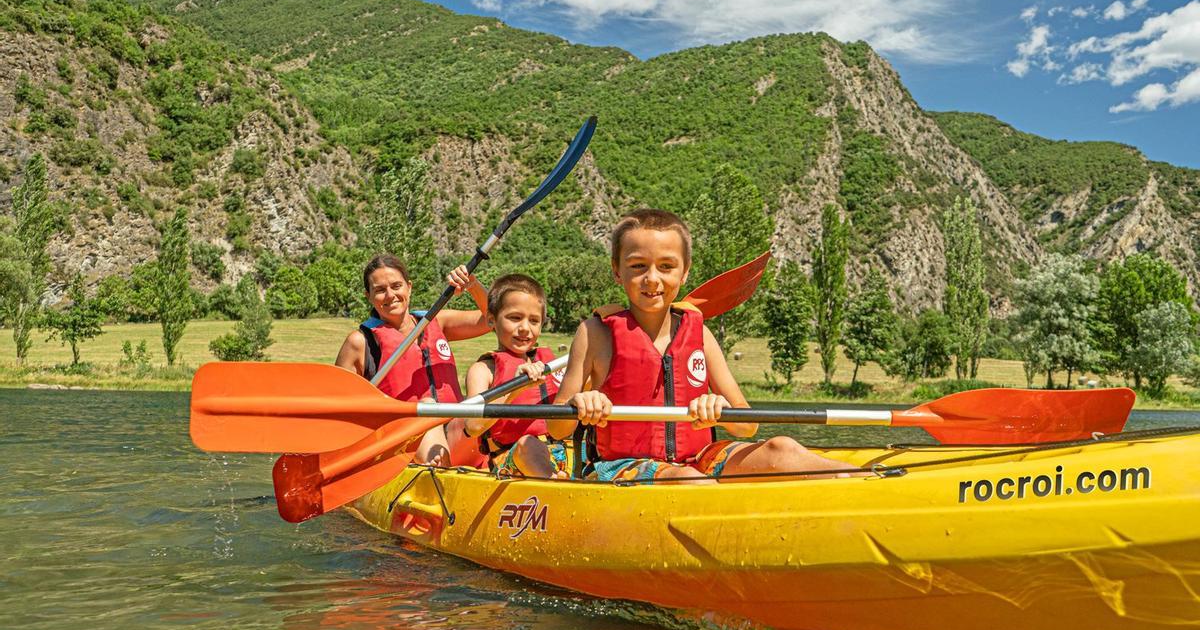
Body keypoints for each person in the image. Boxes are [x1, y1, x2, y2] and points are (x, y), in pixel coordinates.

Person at [548, 208, 860, 483]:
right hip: (620, 467)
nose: (652, 279)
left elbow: (746, 428)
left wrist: (720, 409)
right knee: (687, 479)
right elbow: (557, 429)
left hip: (699, 459)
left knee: (783, 449)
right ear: (617, 270)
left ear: (684, 272)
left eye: (666, 267)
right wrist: (582, 403)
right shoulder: (594, 334)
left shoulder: (700, 335)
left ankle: (863, 484)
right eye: (638, 266)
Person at [335, 254, 489, 466]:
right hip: (402, 445)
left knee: (480, 414)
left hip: (454, 433)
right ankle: (439, 478)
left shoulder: (436, 321)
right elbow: (339, 411)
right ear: (368, 296)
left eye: (396, 286)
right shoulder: (360, 342)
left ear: (409, 287)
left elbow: (492, 319)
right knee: (427, 407)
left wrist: (472, 284)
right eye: (380, 290)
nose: (390, 295)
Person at [463, 274, 569, 479]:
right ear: (492, 320)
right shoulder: (483, 370)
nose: (525, 328)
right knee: (527, 444)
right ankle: (557, 489)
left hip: (560, 454)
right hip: (513, 460)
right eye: (515, 318)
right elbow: (472, 426)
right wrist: (515, 388)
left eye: (534, 321)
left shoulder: (550, 363)